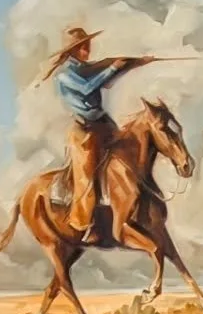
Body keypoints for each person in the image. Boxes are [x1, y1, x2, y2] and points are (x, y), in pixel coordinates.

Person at [40, 26, 156, 237]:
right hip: (83, 131)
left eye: (87, 45)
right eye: (82, 46)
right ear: (73, 50)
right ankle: (83, 224)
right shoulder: (64, 75)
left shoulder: (86, 67)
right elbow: (87, 87)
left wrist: (137, 63)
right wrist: (112, 69)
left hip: (102, 124)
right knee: (86, 176)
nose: (87, 49)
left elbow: (109, 73)